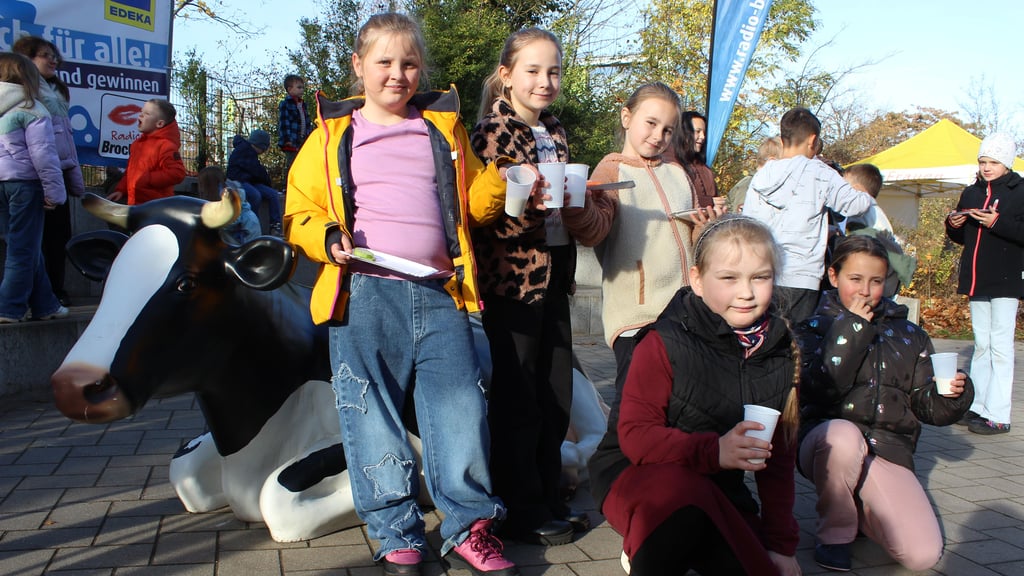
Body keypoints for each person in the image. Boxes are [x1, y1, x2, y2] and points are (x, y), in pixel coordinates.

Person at [284, 13, 517, 576]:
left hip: (442, 293)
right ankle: (395, 533)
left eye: (409, 63)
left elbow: (471, 205)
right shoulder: (330, 134)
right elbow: (298, 211)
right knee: (370, 415)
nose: (398, 74)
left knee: (461, 410)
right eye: (384, 62)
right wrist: (327, 237)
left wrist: (499, 180)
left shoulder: (443, 128)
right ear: (358, 66)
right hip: (364, 294)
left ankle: (470, 527)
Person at [590, 215, 802, 576]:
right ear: (697, 280)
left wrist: (781, 546)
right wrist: (715, 451)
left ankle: (668, 544)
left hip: (718, 489)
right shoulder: (663, 341)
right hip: (638, 477)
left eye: (760, 277)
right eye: (729, 278)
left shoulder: (780, 352)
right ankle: (646, 540)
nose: (746, 292)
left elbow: (778, 461)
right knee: (678, 492)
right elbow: (636, 438)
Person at [470, 27, 588, 547]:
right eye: (533, 70)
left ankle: (546, 493)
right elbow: (487, 218)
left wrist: (581, 203)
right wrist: (537, 207)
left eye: (553, 71)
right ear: (507, 76)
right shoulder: (491, 133)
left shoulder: (555, 131)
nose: (545, 81)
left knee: (555, 392)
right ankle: (520, 508)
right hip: (513, 284)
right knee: (518, 398)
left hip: (555, 277)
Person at [796, 235, 974, 571]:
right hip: (827, 444)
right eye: (855, 279)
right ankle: (835, 534)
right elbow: (818, 390)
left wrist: (953, 394)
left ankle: (864, 510)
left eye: (876, 281)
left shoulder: (910, 335)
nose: (865, 291)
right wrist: (852, 328)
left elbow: (927, 407)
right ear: (833, 276)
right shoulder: (812, 328)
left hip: (888, 450)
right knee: (844, 437)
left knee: (921, 555)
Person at [742, 107, 873, 324]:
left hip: (761, 272)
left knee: (764, 335)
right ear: (813, 140)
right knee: (798, 339)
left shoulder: (761, 176)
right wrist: (864, 192)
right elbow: (856, 205)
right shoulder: (819, 172)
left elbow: (747, 224)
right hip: (802, 276)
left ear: (782, 139)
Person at [945, 132, 1024, 435]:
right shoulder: (971, 193)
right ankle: (976, 406)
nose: (987, 167)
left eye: (993, 162)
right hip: (977, 278)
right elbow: (962, 238)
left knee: (1001, 347)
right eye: (982, 161)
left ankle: (999, 415)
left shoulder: (1020, 191)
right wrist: (953, 225)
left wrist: (996, 222)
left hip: (1006, 279)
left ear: (1007, 163)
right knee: (982, 345)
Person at [12, 36, 85, 307]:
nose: (53, 60)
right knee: (34, 239)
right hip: (34, 172)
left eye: (54, 55)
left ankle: (54, 290)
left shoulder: (57, 89)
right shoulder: (22, 90)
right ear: (27, 59)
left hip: (58, 171)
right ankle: (33, 296)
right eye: (45, 55)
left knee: (58, 236)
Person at [0, 52, 68, 323]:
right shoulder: (33, 109)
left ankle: (45, 304)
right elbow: (44, 156)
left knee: (23, 244)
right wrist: (55, 193)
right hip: (24, 186)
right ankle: (9, 307)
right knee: (23, 248)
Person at [842, 163, 916, 296]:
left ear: (856, 189)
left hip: (871, 285)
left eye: (844, 186)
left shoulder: (860, 212)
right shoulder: (877, 214)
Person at [107, 99, 185, 205]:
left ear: (159, 123)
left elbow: (177, 173)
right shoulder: (137, 144)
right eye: (141, 112)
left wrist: (147, 179)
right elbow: (130, 173)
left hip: (155, 206)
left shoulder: (165, 146)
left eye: (147, 114)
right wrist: (121, 190)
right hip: (135, 203)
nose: (141, 115)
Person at [227, 129, 283, 236]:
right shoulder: (243, 150)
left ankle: (275, 226)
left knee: (273, 194)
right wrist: (267, 182)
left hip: (250, 181)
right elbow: (257, 172)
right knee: (255, 195)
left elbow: (256, 172)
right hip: (238, 181)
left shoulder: (251, 152)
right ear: (260, 145)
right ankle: (252, 224)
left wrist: (267, 186)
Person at [196, 166, 261, 244]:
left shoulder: (227, 195)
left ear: (209, 184)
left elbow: (232, 221)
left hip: (245, 235)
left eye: (201, 184)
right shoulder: (218, 194)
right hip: (239, 234)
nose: (200, 188)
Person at [675, 110, 721, 209]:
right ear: (684, 133)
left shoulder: (706, 170)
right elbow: (674, 199)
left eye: (704, 132)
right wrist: (709, 202)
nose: (702, 137)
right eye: (698, 131)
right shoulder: (671, 165)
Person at [727, 136, 781, 212]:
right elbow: (742, 218)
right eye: (786, 162)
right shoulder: (748, 186)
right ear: (772, 161)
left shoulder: (765, 184)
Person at [277, 74, 312, 176]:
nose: (302, 90)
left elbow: (307, 121)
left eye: (303, 88)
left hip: (302, 139)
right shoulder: (286, 104)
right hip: (292, 140)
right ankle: (289, 183)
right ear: (290, 89)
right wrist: (287, 139)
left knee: (304, 164)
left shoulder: (302, 105)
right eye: (299, 87)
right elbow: (284, 122)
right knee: (292, 165)